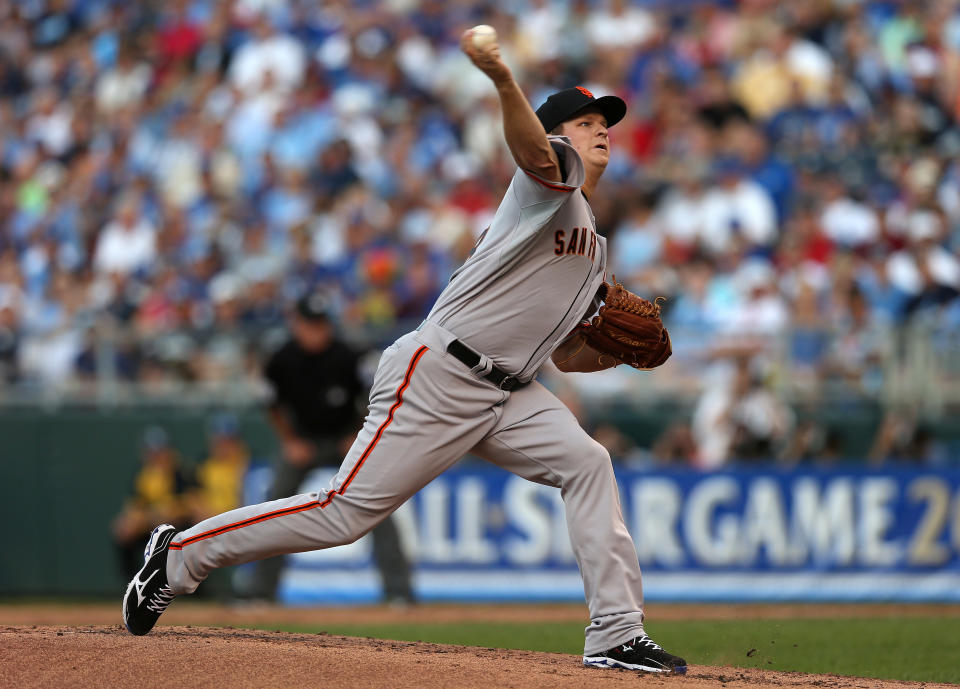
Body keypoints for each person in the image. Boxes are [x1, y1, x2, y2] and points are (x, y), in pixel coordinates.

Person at [122, 30, 687, 675]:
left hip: (511, 393)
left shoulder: (593, 248)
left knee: (587, 463)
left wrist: (614, 353)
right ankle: (178, 557)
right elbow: (532, 147)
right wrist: (504, 80)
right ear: (558, 133)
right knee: (341, 514)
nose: (600, 131)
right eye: (585, 122)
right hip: (440, 374)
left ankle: (616, 633)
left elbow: (567, 357)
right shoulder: (545, 185)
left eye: (605, 122)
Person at [247, 293, 414, 604]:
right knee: (274, 505)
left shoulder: (348, 354)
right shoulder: (281, 358)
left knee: (377, 504)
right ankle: (260, 593)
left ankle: (399, 591)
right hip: (304, 442)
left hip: (346, 440)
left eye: (322, 323)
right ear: (296, 324)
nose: (317, 331)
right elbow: (270, 403)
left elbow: (379, 393)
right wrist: (289, 441)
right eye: (311, 324)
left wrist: (359, 433)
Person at [111, 427, 193, 581]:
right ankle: (133, 586)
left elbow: (185, 507)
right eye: (151, 451)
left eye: (160, 451)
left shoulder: (181, 472)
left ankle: (193, 593)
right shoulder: (143, 475)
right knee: (123, 530)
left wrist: (153, 516)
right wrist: (132, 522)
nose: (155, 456)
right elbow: (134, 507)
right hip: (150, 525)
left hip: (177, 528)